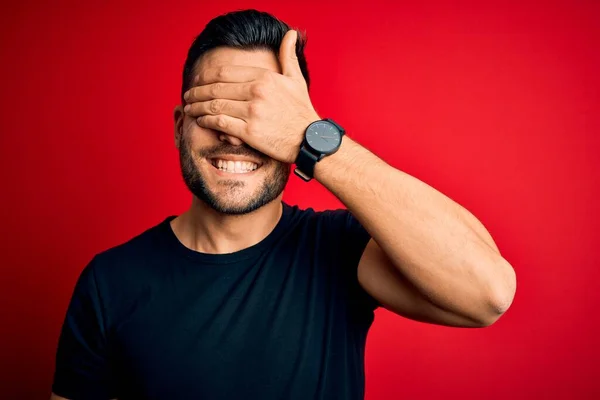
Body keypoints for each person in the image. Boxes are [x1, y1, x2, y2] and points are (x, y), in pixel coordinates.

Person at [50, 9, 516, 400]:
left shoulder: (339, 251)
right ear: (179, 127)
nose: (234, 133)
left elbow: (488, 293)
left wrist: (312, 138)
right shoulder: (109, 281)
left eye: (256, 113)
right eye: (216, 108)